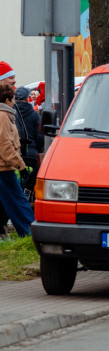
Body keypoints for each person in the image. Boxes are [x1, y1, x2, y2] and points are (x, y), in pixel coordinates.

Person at [0, 83, 34, 237]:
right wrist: (20, 165)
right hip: (4, 168)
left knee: (12, 201)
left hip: (5, 166)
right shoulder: (3, 116)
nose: (14, 102)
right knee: (18, 201)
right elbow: (5, 145)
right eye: (12, 99)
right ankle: (29, 232)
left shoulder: (5, 115)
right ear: (7, 100)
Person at [13, 86, 42, 198]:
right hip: (31, 155)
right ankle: (28, 195)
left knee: (16, 183)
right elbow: (39, 137)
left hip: (15, 154)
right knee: (30, 182)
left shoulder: (11, 113)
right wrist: (40, 150)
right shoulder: (35, 115)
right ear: (27, 99)